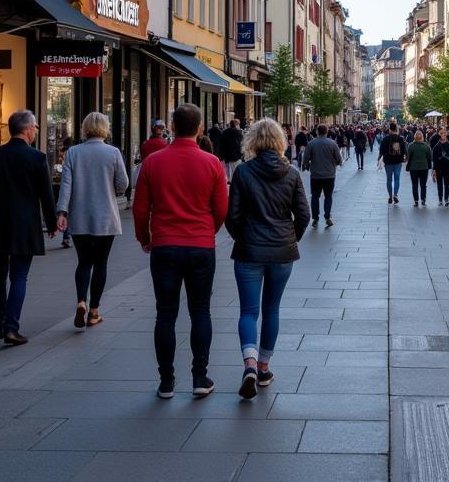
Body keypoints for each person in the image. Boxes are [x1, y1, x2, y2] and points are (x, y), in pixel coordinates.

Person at [133, 103, 228, 400]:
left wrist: (144, 238)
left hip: (164, 245)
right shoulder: (212, 163)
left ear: (172, 127)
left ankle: (166, 381)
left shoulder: (153, 162)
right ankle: (200, 376)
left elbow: (139, 208)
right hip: (200, 245)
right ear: (199, 129)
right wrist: (207, 231)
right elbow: (221, 208)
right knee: (200, 311)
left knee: (165, 314)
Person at [226, 118, 310, 399]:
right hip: (281, 251)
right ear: (280, 141)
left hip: (249, 250)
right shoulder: (292, 173)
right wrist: (290, 238)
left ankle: (248, 363)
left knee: (248, 312)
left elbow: (233, 216)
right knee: (271, 310)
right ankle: (264, 366)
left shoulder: (243, 172)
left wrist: (242, 237)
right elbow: (304, 215)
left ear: (253, 141)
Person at [0, 110, 57, 345]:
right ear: (27, 129)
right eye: (36, 127)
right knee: (19, 275)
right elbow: (45, 196)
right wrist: (52, 223)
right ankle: (11, 326)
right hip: (24, 227)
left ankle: (0, 321)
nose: (37, 130)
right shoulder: (37, 158)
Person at [56, 112, 128, 329]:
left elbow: (66, 185)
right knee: (101, 263)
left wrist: (62, 212)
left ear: (84, 128)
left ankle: (81, 301)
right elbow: (123, 183)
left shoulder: (73, 153)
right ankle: (94, 311)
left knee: (84, 262)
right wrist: (114, 190)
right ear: (105, 128)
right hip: (106, 217)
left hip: (80, 217)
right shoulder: (113, 152)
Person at [304, 125, 342, 227]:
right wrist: (333, 165)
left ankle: (315, 218)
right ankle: (327, 217)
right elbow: (339, 159)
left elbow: (305, 159)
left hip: (315, 175)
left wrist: (308, 167)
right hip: (329, 175)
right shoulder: (332, 144)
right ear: (327, 132)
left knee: (315, 197)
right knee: (328, 196)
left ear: (317, 132)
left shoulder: (311, 144)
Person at [378, 122, 407, 204]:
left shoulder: (385, 139)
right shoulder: (400, 138)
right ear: (396, 129)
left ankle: (390, 196)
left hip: (388, 161)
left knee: (389, 179)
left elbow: (381, 151)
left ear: (390, 129)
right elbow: (404, 150)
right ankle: (395, 195)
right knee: (397, 178)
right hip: (398, 161)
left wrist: (379, 158)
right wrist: (406, 158)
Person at [433, 128, 449, 206]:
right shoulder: (436, 147)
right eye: (441, 133)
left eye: (444, 133)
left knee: (447, 184)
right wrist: (434, 170)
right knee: (439, 184)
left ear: (446, 134)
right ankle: (440, 199)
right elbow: (434, 159)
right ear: (439, 135)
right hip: (439, 168)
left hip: (448, 168)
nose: (443, 135)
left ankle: (446, 199)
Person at [406, 130, 433, 207]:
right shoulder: (426, 146)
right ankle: (423, 200)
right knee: (423, 185)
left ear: (414, 137)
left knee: (414, 185)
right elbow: (430, 157)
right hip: (424, 168)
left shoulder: (411, 146)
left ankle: (416, 201)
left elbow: (409, 156)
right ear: (422, 137)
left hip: (413, 168)